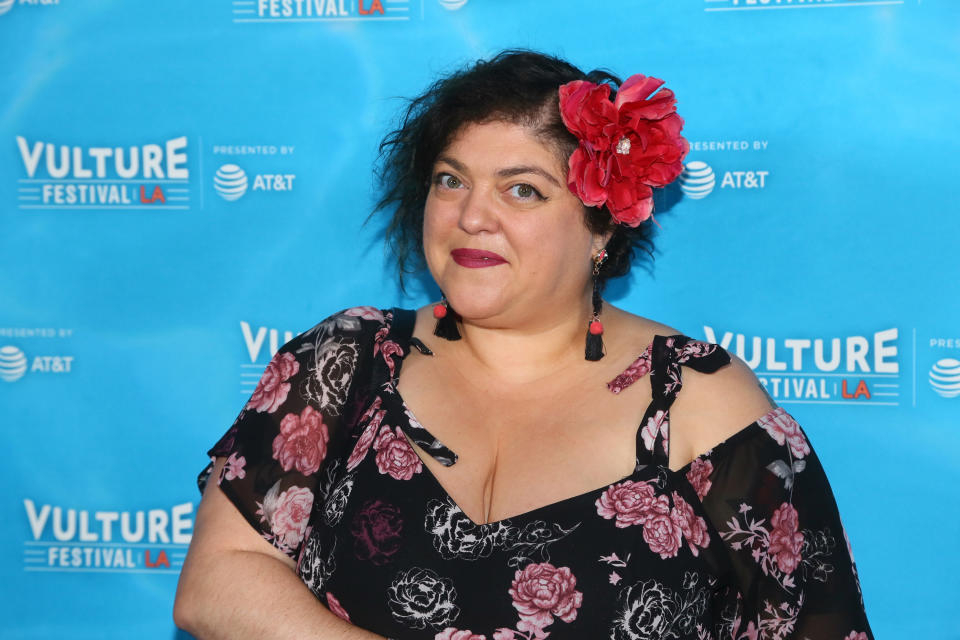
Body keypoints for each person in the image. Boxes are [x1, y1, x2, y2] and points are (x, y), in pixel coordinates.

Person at [173, 50, 874, 640]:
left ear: (602, 229)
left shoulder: (699, 401)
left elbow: (816, 624)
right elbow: (216, 583)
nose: (472, 216)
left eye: (523, 191)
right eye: (451, 181)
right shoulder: (344, 360)